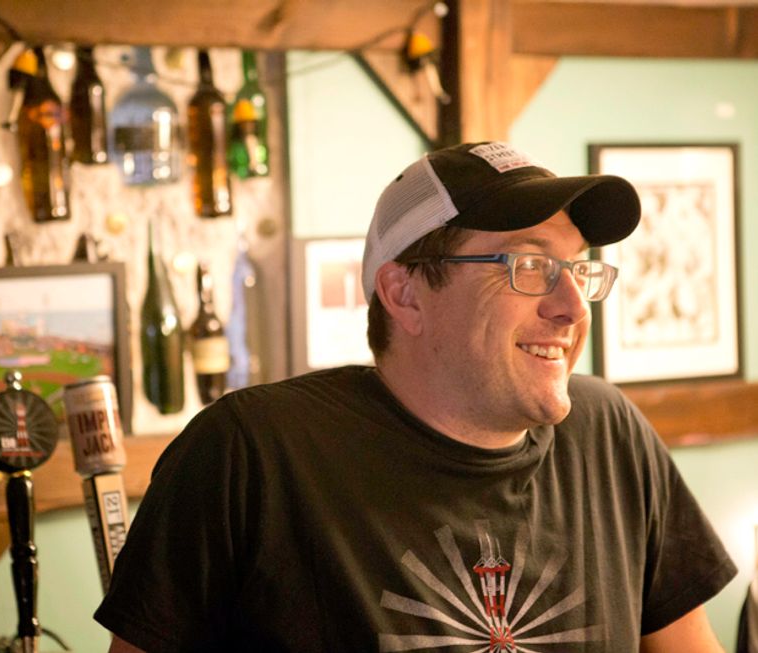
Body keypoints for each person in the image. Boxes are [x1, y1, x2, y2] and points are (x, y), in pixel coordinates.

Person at [96, 141, 736, 652]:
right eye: (530, 266)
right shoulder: (252, 453)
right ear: (404, 294)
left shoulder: (608, 435)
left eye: (577, 268)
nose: (572, 307)